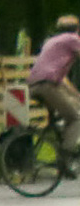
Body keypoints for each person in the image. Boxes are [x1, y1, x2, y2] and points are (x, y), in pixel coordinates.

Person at [28, 15, 80, 162]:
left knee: (69, 109)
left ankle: (63, 145)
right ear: (77, 29)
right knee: (76, 118)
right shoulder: (72, 39)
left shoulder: (51, 41)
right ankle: (65, 156)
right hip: (47, 86)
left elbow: (62, 80)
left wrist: (77, 96)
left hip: (35, 85)